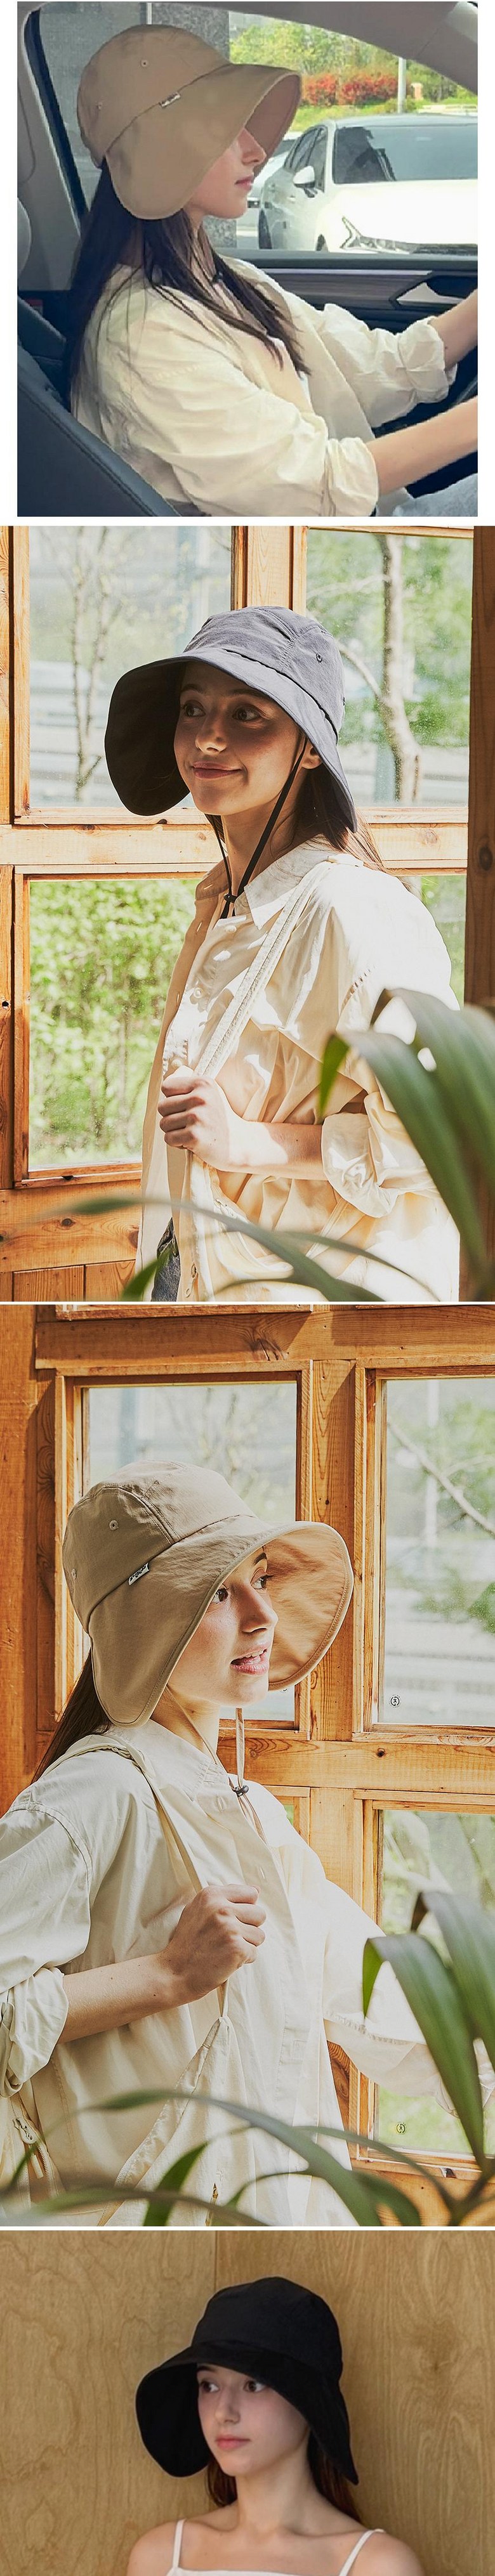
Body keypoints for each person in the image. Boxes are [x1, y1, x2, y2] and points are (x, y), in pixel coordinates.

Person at [0, 1463, 469, 2225]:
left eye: (261, 1577)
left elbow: (372, 1993)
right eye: (218, 1591)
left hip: (273, 2253)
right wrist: (165, 1975)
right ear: (145, 1620)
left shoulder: (250, 1813)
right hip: (137, 2272)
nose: (262, 1614)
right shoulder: (94, 1796)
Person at [104, 604, 459, 1304]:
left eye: (248, 714)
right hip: (208, 1281)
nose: (208, 736)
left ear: (310, 748)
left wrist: (247, 1142)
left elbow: (447, 1133)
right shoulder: (224, 901)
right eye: (193, 708)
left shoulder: (354, 910)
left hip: (313, 1322)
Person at [67, 23, 477, 521]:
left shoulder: (227, 279)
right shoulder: (145, 338)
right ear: (161, 152)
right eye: (223, 131)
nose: (256, 151)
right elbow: (314, 484)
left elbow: (376, 368)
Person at [128, 2277, 426, 2576]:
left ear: (310, 2402)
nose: (223, 2412)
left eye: (253, 2385)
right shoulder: (160, 2557)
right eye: (209, 2385)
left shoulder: (378, 2565)